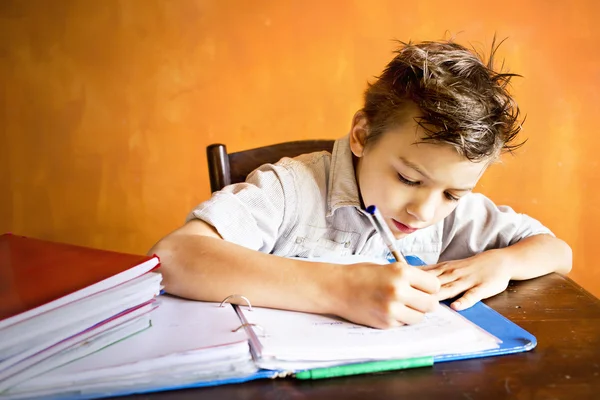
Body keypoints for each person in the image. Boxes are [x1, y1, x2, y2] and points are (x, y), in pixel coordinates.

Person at [148, 39, 572, 329]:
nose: (424, 212)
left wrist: (502, 264)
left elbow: (557, 252)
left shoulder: (455, 216)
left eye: (451, 193)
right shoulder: (291, 189)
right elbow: (171, 257)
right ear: (362, 136)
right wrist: (339, 288)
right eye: (408, 178)